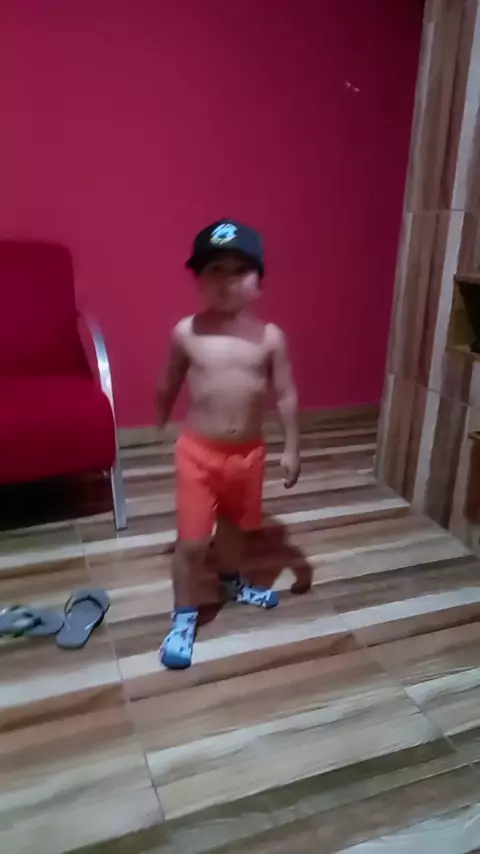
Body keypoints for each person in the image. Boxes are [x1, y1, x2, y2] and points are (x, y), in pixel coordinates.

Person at [157, 220, 300, 669]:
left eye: (240, 270)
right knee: (193, 542)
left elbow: (286, 394)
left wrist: (292, 446)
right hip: (198, 455)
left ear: (259, 281)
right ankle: (184, 617)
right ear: (198, 279)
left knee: (236, 529)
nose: (227, 280)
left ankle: (232, 581)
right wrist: (161, 422)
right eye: (215, 269)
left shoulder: (270, 338)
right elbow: (168, 381)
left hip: (248, 456)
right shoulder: (187, 333)